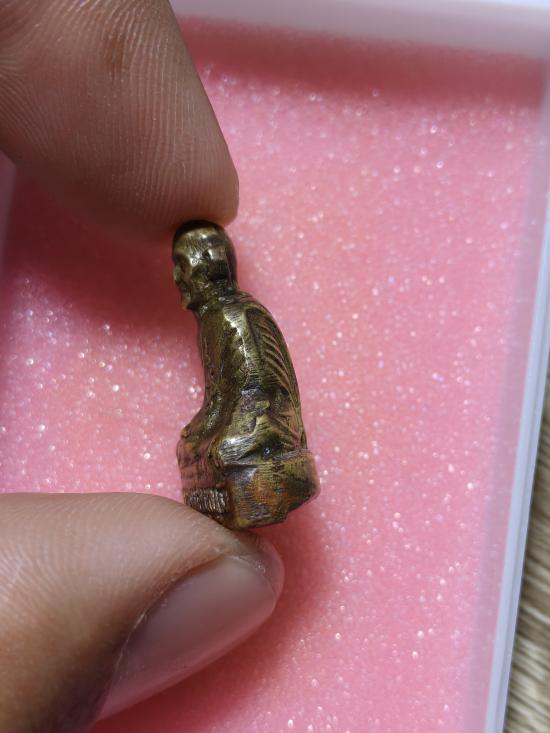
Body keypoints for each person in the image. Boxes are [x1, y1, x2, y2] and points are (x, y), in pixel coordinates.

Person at [0, 2, 284, 731]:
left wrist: (221, 428)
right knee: (196, 439)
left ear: (212, 270)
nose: (184, 284)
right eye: (182, 274)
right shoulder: (211, 321)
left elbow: (251, 390)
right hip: (239, 423)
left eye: (190, 272)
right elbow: (218, 394)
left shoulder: (232, 317)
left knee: (216, 442)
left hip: (260, 432)